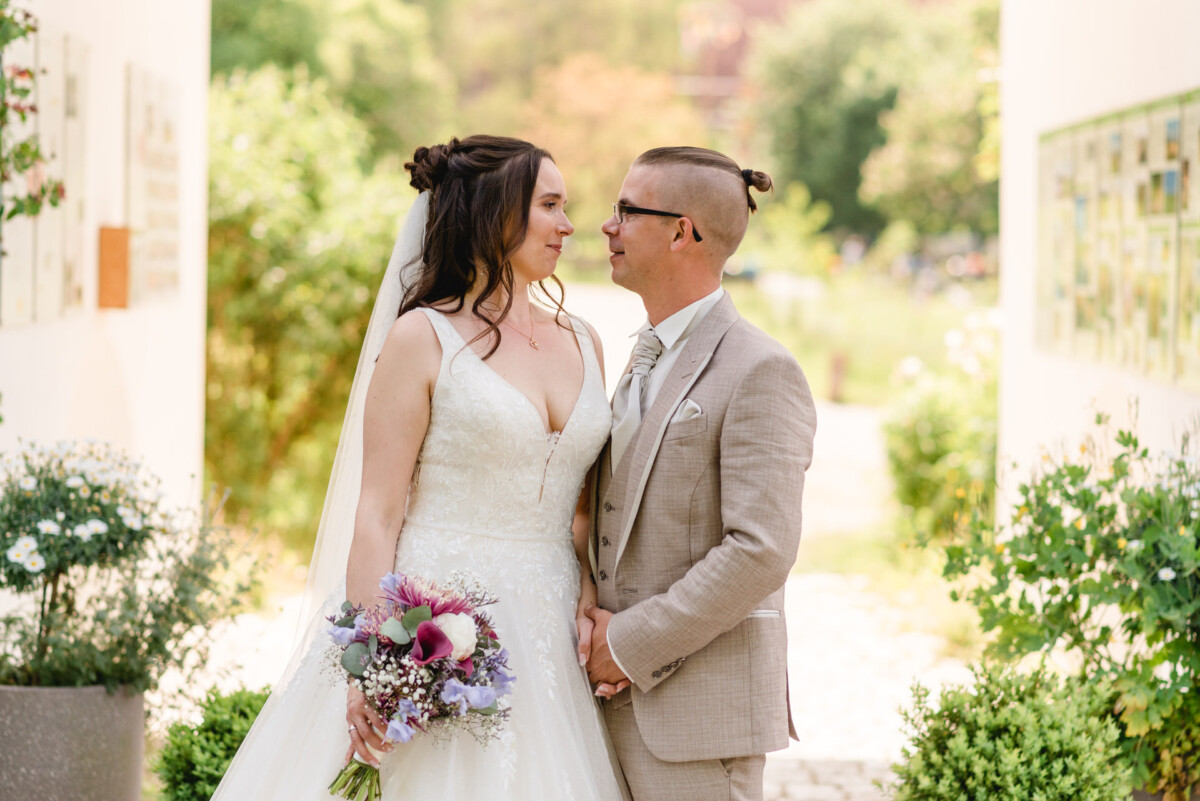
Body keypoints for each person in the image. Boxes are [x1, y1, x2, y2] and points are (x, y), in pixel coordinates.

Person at [211, 135, 628, 800]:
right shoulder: (421, 339)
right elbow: (377, 511)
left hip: (551, 631)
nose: (569, 224)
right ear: (495, 215)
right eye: (550, 204)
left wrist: (587, 595)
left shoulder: (586, 340)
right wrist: (375, 664)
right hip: (439, 626)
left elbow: (584, 506)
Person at [584, 146, 817, 801]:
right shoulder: (641, 355)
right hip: (603, 710)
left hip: (698, 726)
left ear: (682, 231)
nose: (607, 226)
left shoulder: (761, 370)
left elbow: (761, 549)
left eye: (626, 211)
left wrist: (627, 644)